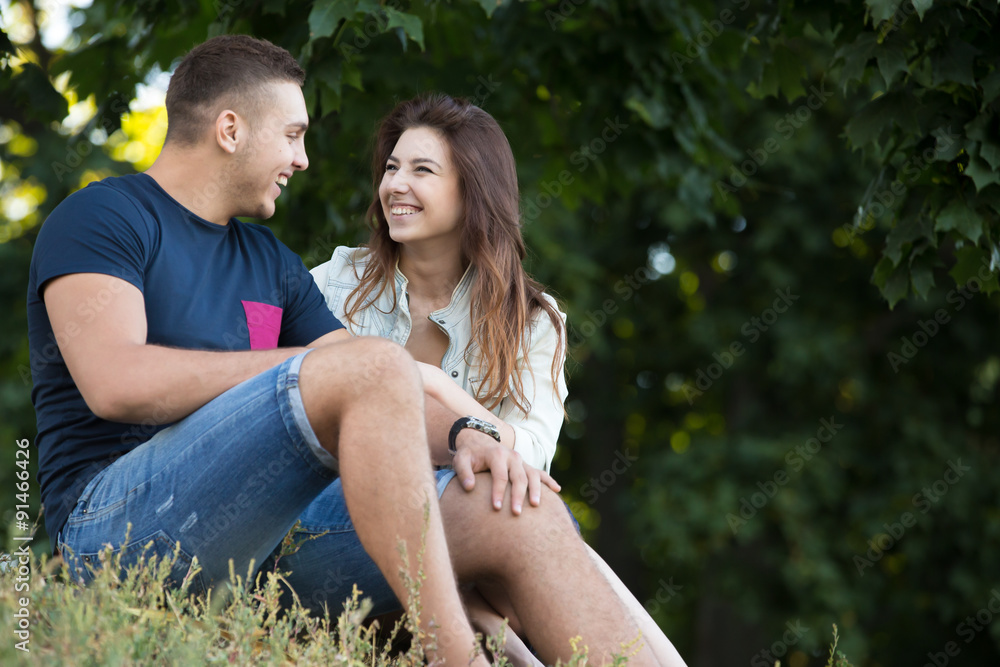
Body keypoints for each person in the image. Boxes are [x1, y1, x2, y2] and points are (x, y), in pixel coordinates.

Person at [26, 35, 661, 665]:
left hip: (265, 549)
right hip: (116, 535)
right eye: (292, 135)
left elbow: (380, 388)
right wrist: (310, 368)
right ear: (230, 129)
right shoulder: (104, 217)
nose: (302, 159)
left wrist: (466, 435)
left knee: (515, 507)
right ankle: (456, 656)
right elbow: (116, 382)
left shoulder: (272, 263)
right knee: (365, 363)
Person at [309, 94, 687, 666]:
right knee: (523, 523)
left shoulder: (532, 321)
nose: (395, 185)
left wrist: (436, 392)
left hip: (467, 524)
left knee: (531, 513)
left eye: (421, 170)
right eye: (391, 167)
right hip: (340, 520)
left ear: (474, 191)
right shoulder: (336, 284)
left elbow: (529, 457)